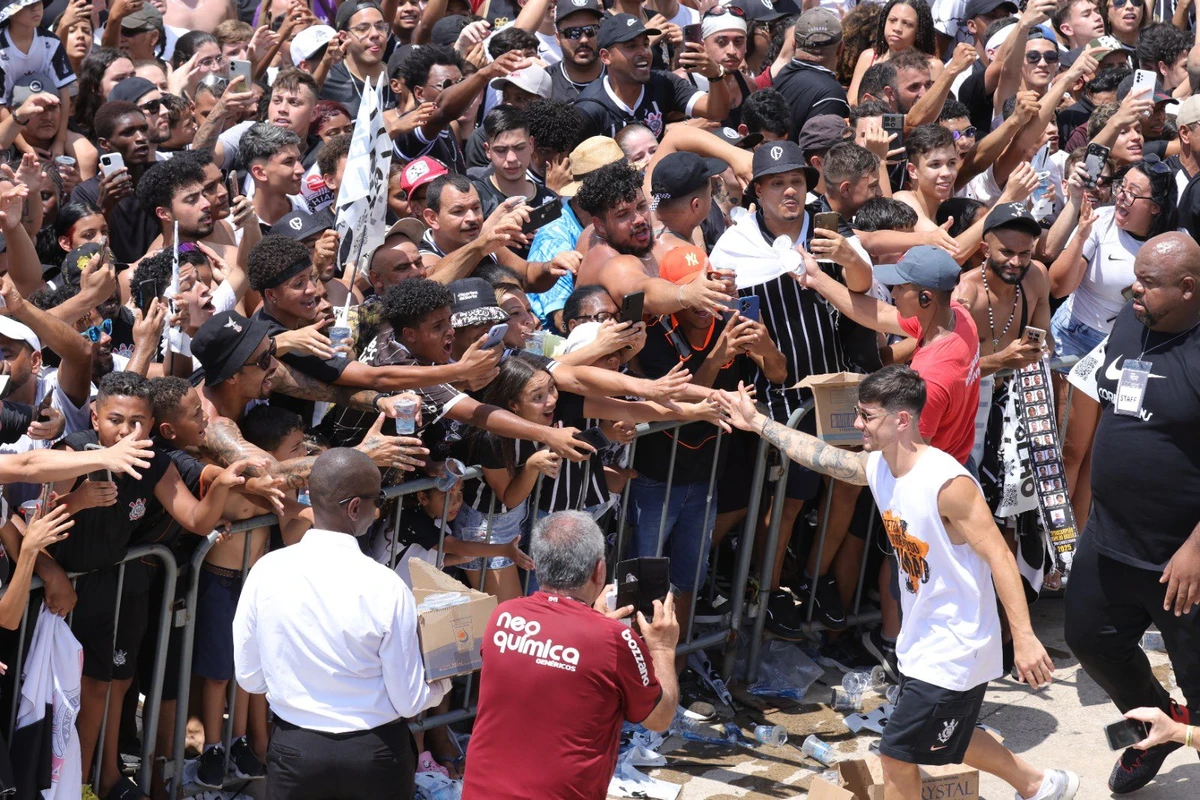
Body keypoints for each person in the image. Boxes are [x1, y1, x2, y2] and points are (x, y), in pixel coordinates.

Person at [717, 365, 1079, 800]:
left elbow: (1001, 558)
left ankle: (1037, 784)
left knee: (896, 755)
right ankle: (1039, 785)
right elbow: (821, 456)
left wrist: (1023, 637)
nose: (856, 424)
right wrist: (756, 421)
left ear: (901, 420)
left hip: (956, 646)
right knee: (950, 736)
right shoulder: (879, 468)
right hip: (921, 640)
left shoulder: (948, 485)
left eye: (866, 416)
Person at [233, 447, 452, 800]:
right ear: (354, 507)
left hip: (295, 752)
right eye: (376, 499)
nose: (379, 509)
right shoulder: (386, 585)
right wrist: (444, 681)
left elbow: (249, 677)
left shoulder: (266, 571)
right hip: (374, 754)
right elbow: (409, 701)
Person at [1063, 232, 1200, 795]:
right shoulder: (1131, 318)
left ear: (1188, 289)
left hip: (1182, 564)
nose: (1131, 287)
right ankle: (1158, 727)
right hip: (1111, 539)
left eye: (1147, 282)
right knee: (1089, 638)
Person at [462, 510, 680, 799]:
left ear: (537, 565)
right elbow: (660, 718)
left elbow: (554, 650)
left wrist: (592, 621)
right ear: (599, 571)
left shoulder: (503, 615)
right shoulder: (615, 639)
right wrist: (662, 648)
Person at [772, 8, 851, 141]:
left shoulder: (781, 76)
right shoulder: (832, 95)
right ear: (841, 48)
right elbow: (824, 156)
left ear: (794, 44)